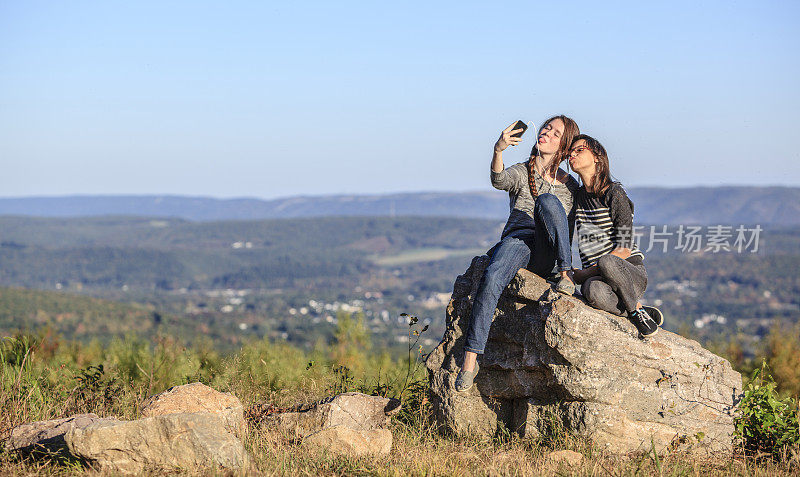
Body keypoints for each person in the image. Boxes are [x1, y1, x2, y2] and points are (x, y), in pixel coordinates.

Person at [455, 116, 580, 392]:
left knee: (548, 201)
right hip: (519, 240)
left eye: (555, 133)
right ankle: (470, 360)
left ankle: (565, 273)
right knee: (492, 276)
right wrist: (498, 150)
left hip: (548, 252)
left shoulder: (571, 187)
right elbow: (499, 180)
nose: (546, 133)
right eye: (546, 127)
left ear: (564, 145)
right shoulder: (523, 172)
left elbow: (569, 227)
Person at [567, 134, 664, 337]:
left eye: (579, 150)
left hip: (628, 272)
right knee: (592, 292)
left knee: (607, 262)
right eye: (570, 152)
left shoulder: (614, 194)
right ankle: (636, 310)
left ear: (597, 157)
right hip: (600, 280)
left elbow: (624, 248)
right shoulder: (576, 196)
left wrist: (583, 274)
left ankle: (636, 311)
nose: (572, 155)